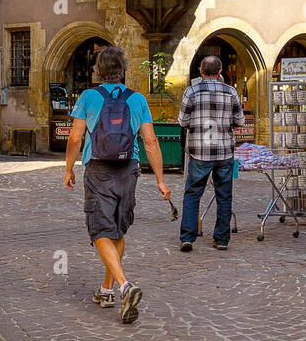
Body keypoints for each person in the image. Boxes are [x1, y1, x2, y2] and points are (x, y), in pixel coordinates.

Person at [63, 45, 171, 324]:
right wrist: (160, 180)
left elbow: (75, 138)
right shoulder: (137, 99)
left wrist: (68, 169)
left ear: (98, 70)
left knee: (100, 229)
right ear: (123, 70)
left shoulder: (89, 96)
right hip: (128, 169)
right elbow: (150, 141)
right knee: (117, 229)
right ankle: (106, 290)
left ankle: (124, 286)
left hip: (98, 168)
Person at [177, 55, 244, 252]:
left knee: (192, 194)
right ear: (220, 71)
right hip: (224, 151)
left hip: (199, 151)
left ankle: (188, 236)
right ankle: (221, 239)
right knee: (224, 195)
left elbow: (182, 120)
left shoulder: (191, 91)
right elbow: (239, 121)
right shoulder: (231, 92)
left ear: (201, 71)